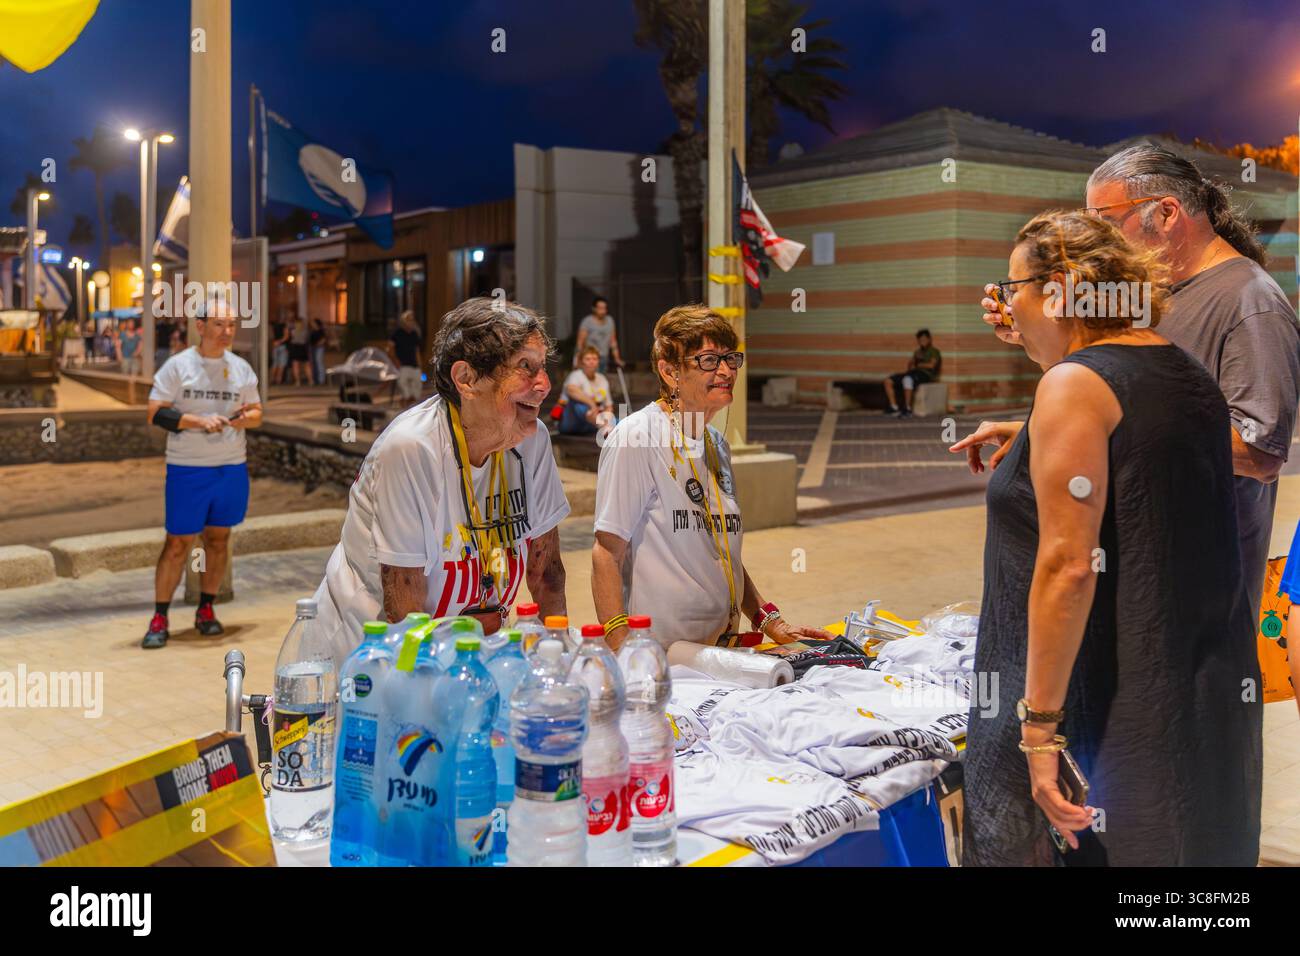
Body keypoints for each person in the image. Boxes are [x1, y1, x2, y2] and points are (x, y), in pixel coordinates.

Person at [951, 210, 1260, 866]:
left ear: (1058, 289)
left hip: (1119, 720)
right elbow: (1139, 454)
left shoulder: (1077, 386)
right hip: (1195, 706)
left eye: (1012, 291)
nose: (1004, 308)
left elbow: (1067, 566)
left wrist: (1038, 735)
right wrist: (1033, 434)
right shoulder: (1182, 370)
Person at [977, 143, 1300, 617]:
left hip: (1193, 598)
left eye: (1105, 221)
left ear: (1167, 212)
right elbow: (1114, 392)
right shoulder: (1145, 294)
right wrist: (1030, 335)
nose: (1098, 241)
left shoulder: (1250, 303)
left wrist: (1098, 437)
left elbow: (1257, 454)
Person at [312, 297, 570, 663]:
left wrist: (557, 664)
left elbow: (547, 573)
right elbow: (404, 605)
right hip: (374, 664)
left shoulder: (532, 439)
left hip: (467, 657)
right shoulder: (411, 448)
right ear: (466, 379)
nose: (543, 384)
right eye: (524, 367)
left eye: (543, 367)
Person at [591, 304, 832, 651]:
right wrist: (622, 648)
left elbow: (720, 552)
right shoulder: (637, 437)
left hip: (718, 653)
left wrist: (767, 619)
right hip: (661, 657)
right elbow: (606, 553)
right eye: (708, 360)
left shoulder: (715, 443)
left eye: (730, 359)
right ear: (670, 372)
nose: (725, 371)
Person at [142, 310, 263, 649]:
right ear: (200, 326)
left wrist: (243, 419)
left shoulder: (241, 368)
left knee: (219, 540)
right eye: (219, 325)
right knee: (178, 543)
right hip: (188, 468)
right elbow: (156, 413)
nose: (226, 331)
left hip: (230, 467)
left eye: (232, 325)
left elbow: (256, 412)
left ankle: (205, 609)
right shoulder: (178, 366)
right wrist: (197, 421)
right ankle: (160, 615)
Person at [559, 345, 616, 436]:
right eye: (588, 359)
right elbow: (571, 390)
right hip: (571, 421)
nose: (591, 362)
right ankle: (605, 428)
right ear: (581, 362)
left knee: (617, 420)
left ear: (598, 362)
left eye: (594, 359)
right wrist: (592, 404)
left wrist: (607, 417)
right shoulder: (576, 375)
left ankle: (607, 427)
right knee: (578, 405)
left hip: (591, 422)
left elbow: (608, 405)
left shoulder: (602, 379)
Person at [883, 328, 941, 417]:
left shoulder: (934, 351)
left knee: (907, 379)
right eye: (920, 340)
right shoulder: (917, 352)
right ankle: (894, 407)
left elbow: (931, 365)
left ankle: (907, 408)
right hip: (913, 373)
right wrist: (911, 363)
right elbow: (911, 366)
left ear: (929, 339)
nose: (922, 341)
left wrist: (918, 365)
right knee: (888, 380)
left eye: (924, 339)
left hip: (926, 375)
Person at [574, 296, 623, 373]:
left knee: (600, 381)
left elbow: (613, 341)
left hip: (604, 357)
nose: (603, 311)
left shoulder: (610, 321)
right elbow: (580, 342)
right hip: (590, 358)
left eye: (604, 308)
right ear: (594, 308)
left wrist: (617, 358)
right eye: (600, 308)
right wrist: (577, 359)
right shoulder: (587, 321)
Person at [389, 309, 424, 403]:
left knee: (417, 384)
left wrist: (420, 365)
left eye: (412, 320)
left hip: (414, 364)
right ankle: (406, 399)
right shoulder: (397, 333)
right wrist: (395, 361)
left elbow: (416, 351)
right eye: (409, 319)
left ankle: (413, 401)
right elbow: (390, 349)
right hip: (402, 364)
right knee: (403, 383)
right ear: (404, 321)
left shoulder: (414, 334)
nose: (411, 322)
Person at [288, 316, 311, 386]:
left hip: (295, 347)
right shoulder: (305, 331)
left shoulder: (293, 331)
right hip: (303, 347)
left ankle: (298, 381)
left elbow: (290, 337)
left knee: (295, 366)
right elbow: (307, 339)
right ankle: (311, 380)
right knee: (307, 365)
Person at [269, 315, 290, 385]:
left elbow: (272, 336)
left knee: (275, 364)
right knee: (281, 365)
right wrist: (280, 341)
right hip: (282, 346)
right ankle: (278, 380)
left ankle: (272, 380)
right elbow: (286, 336)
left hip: (275, 346)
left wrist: (275, 342)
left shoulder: (274, 325)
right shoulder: (284, 326)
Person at [309, 318, 327, 385]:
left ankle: (321, 379)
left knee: (319, 362)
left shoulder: (321, 330)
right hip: (313, 348)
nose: (312, 324)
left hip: (319, 348)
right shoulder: (312, 331)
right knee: (314, 363)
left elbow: (323, 340)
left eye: (313, 323)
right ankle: (316, 379)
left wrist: (317, 344)